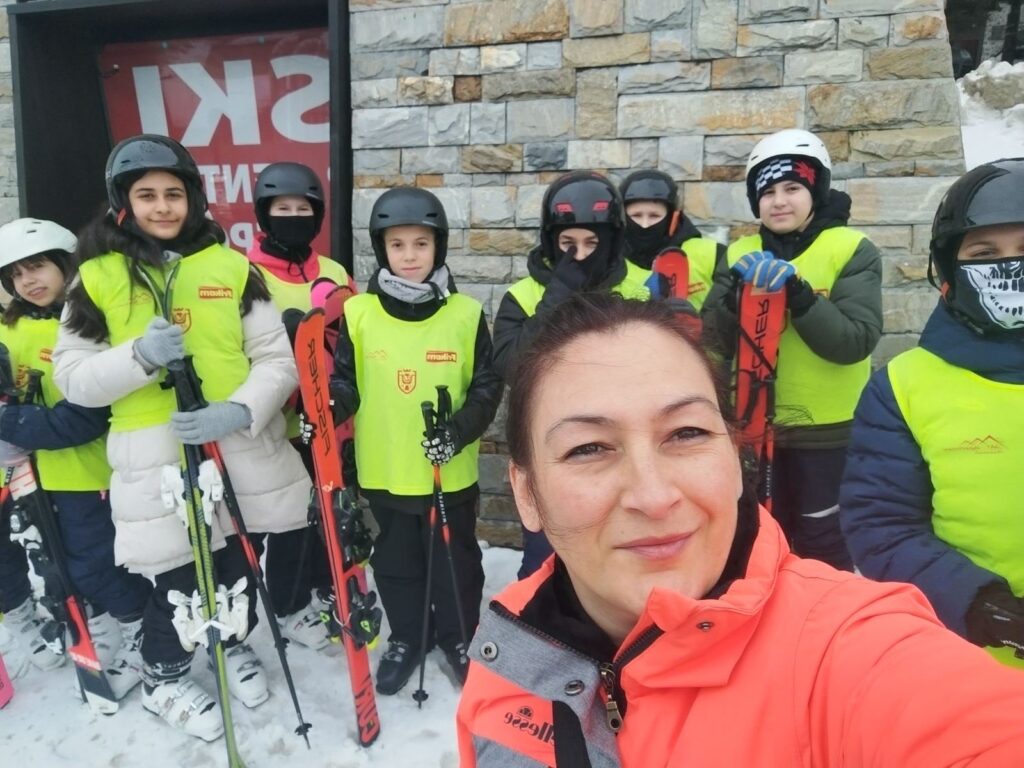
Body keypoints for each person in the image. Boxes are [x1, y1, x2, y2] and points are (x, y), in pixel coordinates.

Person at [456, 292, 1024, 767]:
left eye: (686, 433)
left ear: (733, 457)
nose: (654, 497)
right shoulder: (509, 652)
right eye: (588, 448)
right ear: (527, 494)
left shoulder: (848, 652)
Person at [52, 134, 310, 741]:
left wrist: (238, 410)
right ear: (123, 202)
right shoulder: (97, 277)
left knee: (239, 564)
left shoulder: (232, 267)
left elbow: (277, 359)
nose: (162, 206)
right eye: (147, 195)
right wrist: (138, 357)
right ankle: (163, 677)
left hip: (236, 449)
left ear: (193, 198)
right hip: (155, 460)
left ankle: (229, 642)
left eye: (174, 193)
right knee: (180, 582)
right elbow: (73, 378)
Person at [841, 158, 1024, 670]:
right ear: (948, 273)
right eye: (984, 254)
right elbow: (882, 526)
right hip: (973, 664)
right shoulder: (905, 386)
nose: (1009, 268)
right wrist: (982, 606)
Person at [330, 186, 501, 695]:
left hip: (448, 473)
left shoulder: (465, 313)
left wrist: (458, 432)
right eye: (398, 245)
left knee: (456, 565)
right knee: (396, 565)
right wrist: (327, 405)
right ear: (381, 249)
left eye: (421, 244)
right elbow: (345, 382)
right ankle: (409, 634)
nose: (409, 256)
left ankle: (459, 635)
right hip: (385, 470)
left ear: (438, 247)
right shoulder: (359, 313)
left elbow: (487, 386)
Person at [701, 128, 882, 570]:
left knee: (821, 540)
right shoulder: (739, 253)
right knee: (758, 536)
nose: (779, 201)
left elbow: (854, 341)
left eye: (792, 188)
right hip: (752, 428)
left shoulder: (850, 249)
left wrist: (799, 296)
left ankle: (825, 610)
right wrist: (733, 300)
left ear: (815, 191)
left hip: (826, 434)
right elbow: (712, 341)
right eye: (767, 192)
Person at [0, 217, 153, 698]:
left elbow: (87, 415)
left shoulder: (87, 323)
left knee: (97, 564)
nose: (28, 281)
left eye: (37, 267)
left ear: (67, 264)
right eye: (16, 274)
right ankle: (102, 623)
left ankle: (141, 629)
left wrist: (12, 424)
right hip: (35, 478)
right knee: (58, 563)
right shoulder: (11, 328)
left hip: (90, 474)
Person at [492, 171, 649, 579]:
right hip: (553, 449)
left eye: (591, 243)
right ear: (551, 242)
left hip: (625, 449)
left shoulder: (644, 288)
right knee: (544, 561)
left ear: (610, 241)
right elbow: (512, 366)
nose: (579, 256)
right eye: (568, 244)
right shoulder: (524, 296)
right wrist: (558, 293)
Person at [247, 161, 355, 651]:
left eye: (302, 209)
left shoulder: (333, 272)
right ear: (264, 215)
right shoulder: (247, 275)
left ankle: (324, 582)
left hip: (328, 418)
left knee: (328, 508)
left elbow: (351, 337)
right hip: (279, 419)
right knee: (291, 518)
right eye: (282, 209)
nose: (293, 217)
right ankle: (289, 605)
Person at [619, 169, 724, 311]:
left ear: (672, 219)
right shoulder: (612, 264)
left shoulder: (711, 253)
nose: (645, 224)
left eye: (654, 216)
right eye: (636, 215)